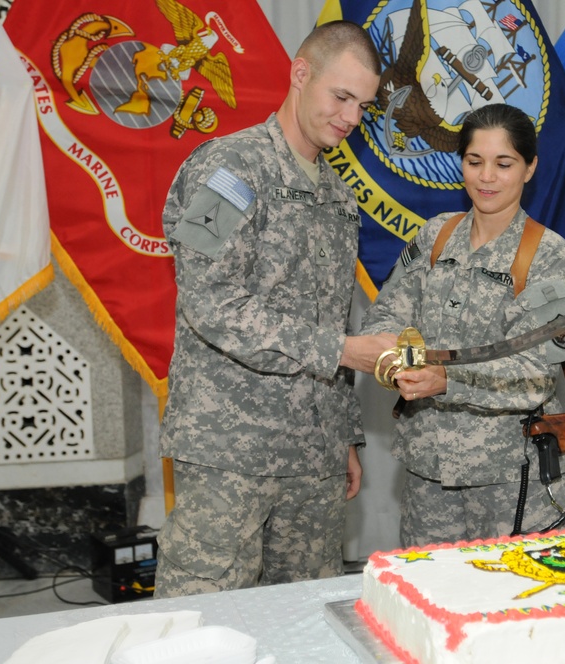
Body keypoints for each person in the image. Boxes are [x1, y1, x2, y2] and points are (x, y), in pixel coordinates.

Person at [154, 21, 396, 598]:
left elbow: (328, 318)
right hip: (227, 452)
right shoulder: (230, 169)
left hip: (312, 458)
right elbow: (211, 304)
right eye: (341, 97)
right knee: (203, 621)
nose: (350, 118)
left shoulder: (338, 196)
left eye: (362, 106)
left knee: (304, 622)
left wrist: (344, 435)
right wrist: (341, 351)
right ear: (300, 72)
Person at [362, 104, 565, 547]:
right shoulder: (434, 237)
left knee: (510, 603)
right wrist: (398, 364)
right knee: (427, 599)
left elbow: (534, 376)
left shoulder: (551, 258)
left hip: (509, 477)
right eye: (474, 161)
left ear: (530, 168)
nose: (486, 177)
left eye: (503, 163)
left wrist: (445, 380)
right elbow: (385, 318)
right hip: (427, 468)